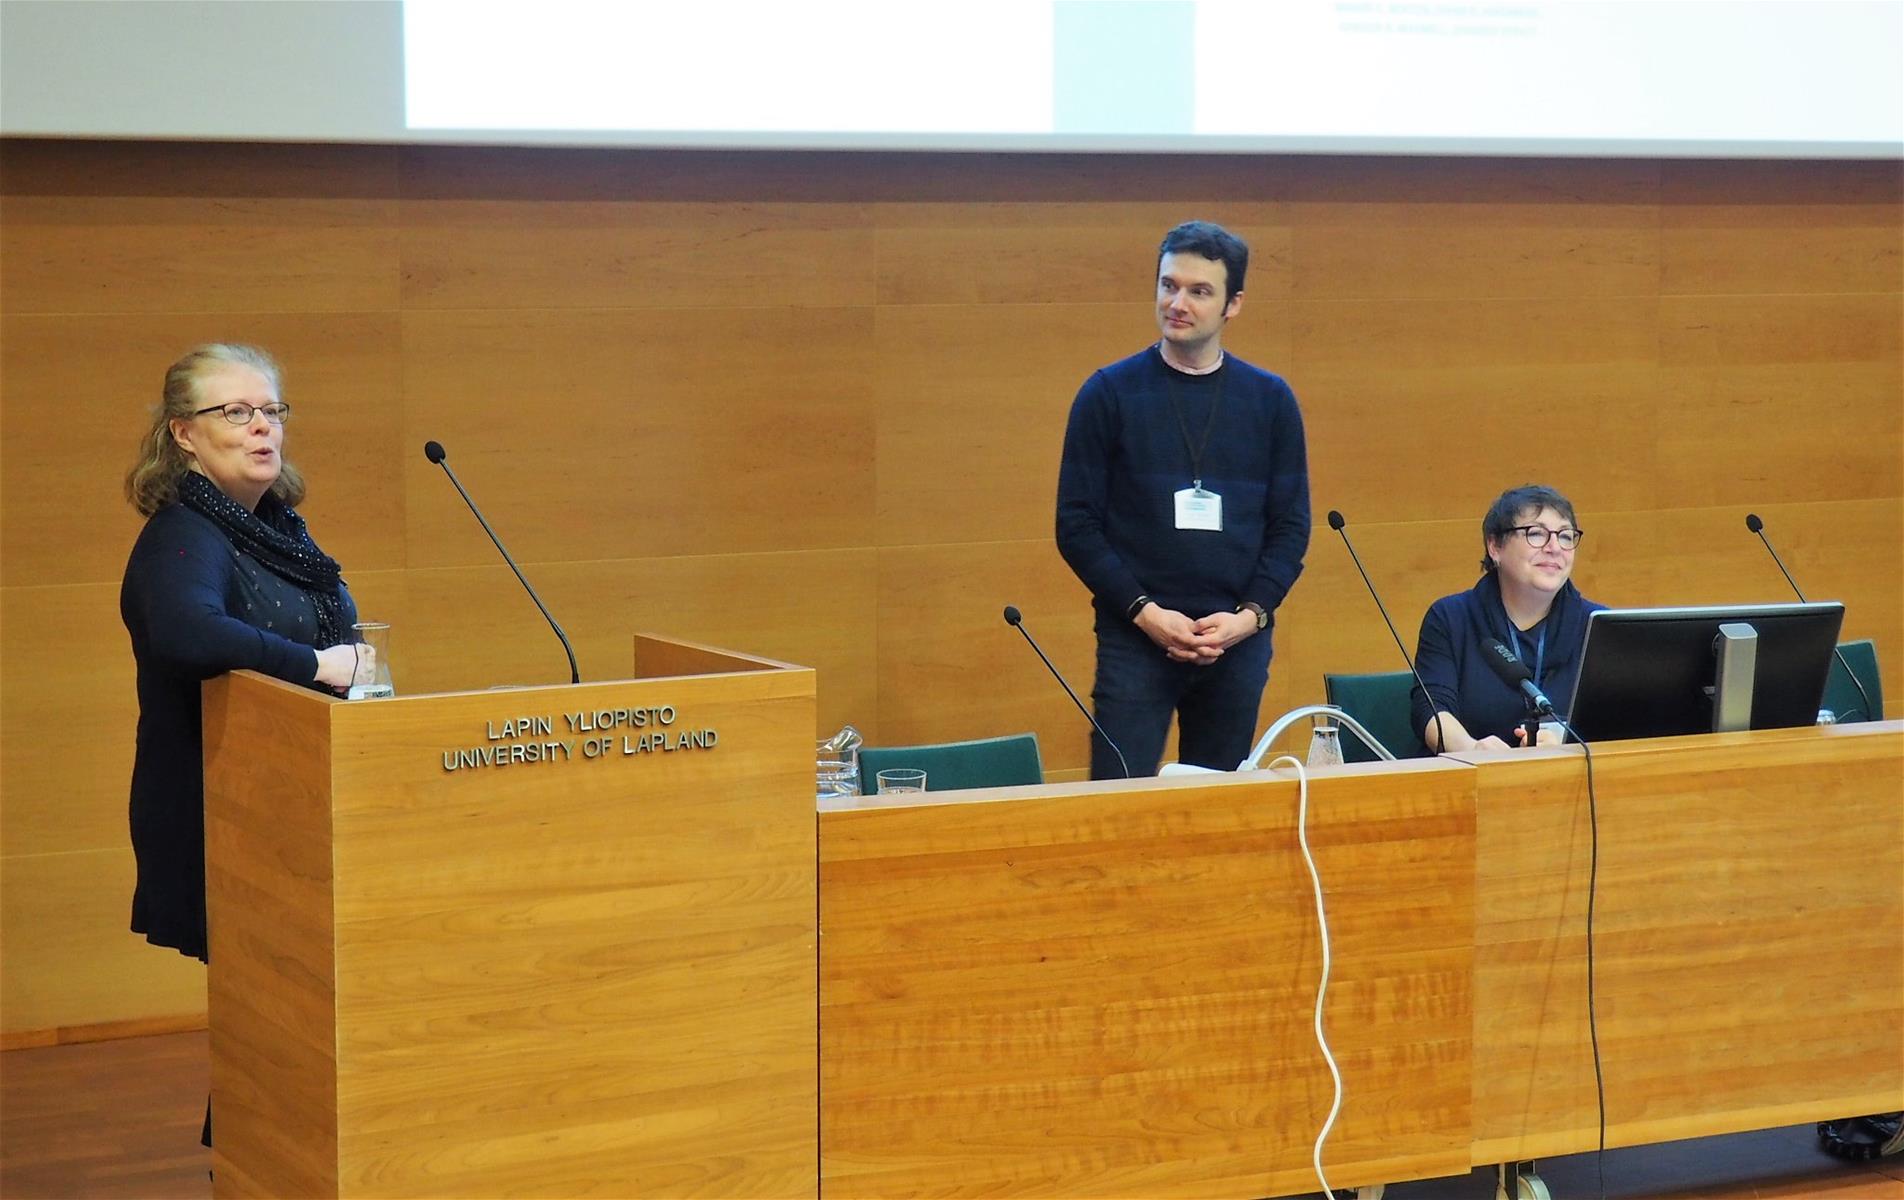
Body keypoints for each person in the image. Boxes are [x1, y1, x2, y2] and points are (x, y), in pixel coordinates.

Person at [121, 343, 364, 1146]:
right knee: (274, 997)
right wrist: (320, 667)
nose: (261, 427)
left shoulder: (281, 534)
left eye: (270, 410)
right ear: (184, 435)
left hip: (307, 798)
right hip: (223, 806)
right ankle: (255, 1159)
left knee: (300, 1003)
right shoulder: (183, 536)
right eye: (235, 412)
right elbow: (190, 636)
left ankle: (272, 1157)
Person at [1056, 221, 1310, 777]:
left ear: (1232, 304)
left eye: (1199, 291)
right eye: (1169, 285)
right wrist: (1147, 615)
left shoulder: (1269, 401)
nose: (1178, 303)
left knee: (1219, 808)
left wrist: (1249, 617)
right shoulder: (1109, 393)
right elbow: (1076, 526)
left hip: (1235, 641)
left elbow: (1290, 528)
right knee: (1119, 800)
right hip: (1136, 636)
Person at [1411, 485, 1604, 752]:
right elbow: (1431, 710)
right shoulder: (1451, 618)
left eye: (1565, 536)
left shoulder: (1597, 624)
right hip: (1474, 782)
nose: (1554, 547)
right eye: (1536, 534)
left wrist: (1569, 739)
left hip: (1573, 784)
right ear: (1495, 546)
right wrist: (1472, 750)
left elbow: (1621, 717)